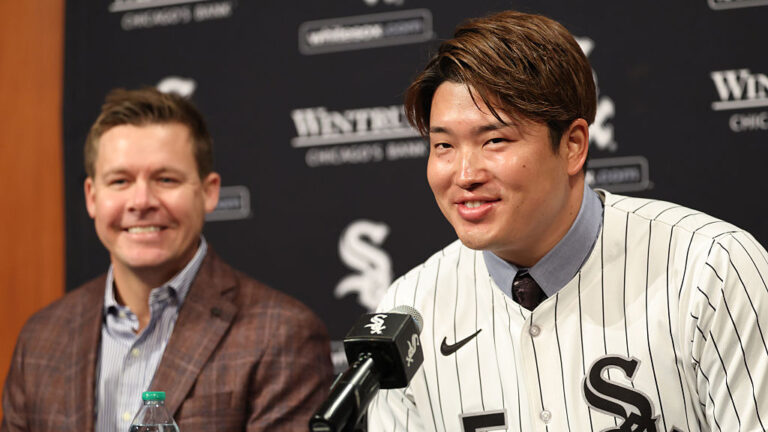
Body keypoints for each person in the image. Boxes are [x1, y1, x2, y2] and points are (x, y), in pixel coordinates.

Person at [367, 10, 768, 432]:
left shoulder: (710, 269)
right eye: (444, 146)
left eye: (495, 140)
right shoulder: (410, 309)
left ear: (573, 145)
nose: (465, 175)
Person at [1, 88, 333, 432]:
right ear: (92, 197)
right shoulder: (41, 338)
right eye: (120, 181)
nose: (141, 201)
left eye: (166, 179)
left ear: (209, 191)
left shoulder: (281, 334)